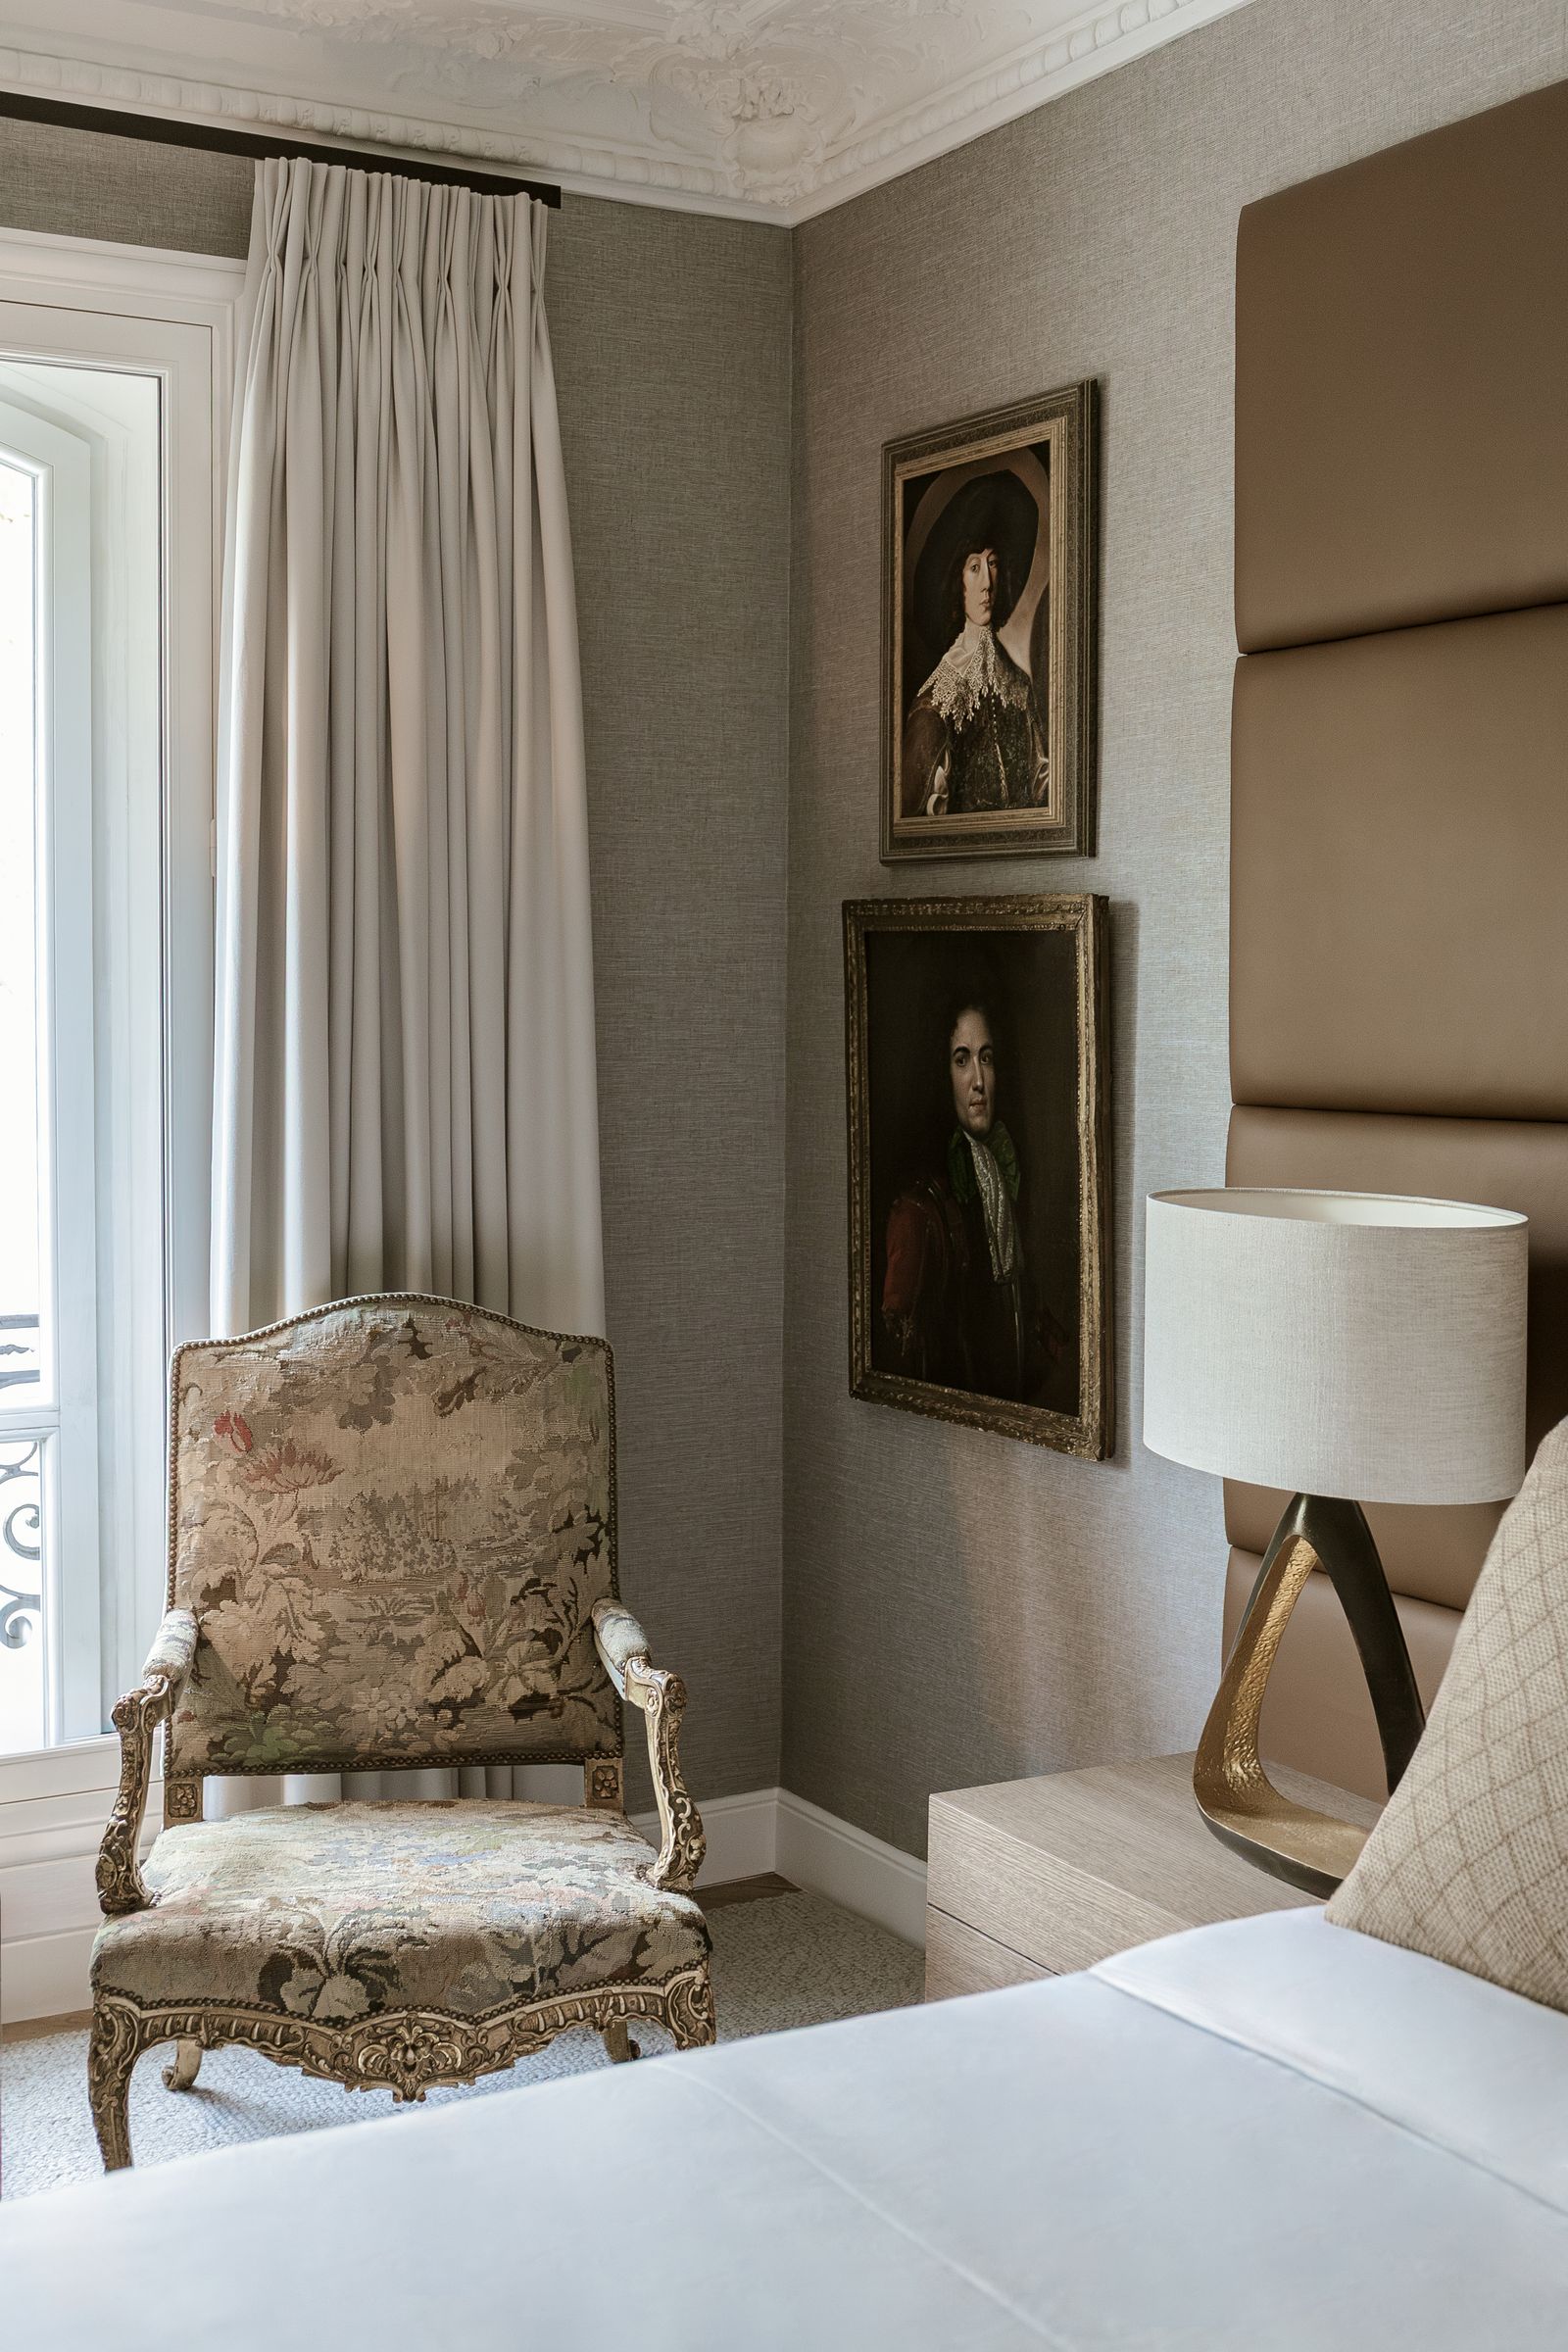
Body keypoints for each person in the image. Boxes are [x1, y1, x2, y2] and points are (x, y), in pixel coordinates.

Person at [879, 996, 1068, 1403]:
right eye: (962, 1060)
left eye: (987, 1058)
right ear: (941, 1073)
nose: (978, 1081)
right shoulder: (921, 1210)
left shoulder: (1004, 1174)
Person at [901, 471, 1050, 819]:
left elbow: (1043, 786)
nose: (987, 583)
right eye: (973, 567)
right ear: (957, 581)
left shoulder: (1018, 686)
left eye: (993, 563)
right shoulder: (935, 705)